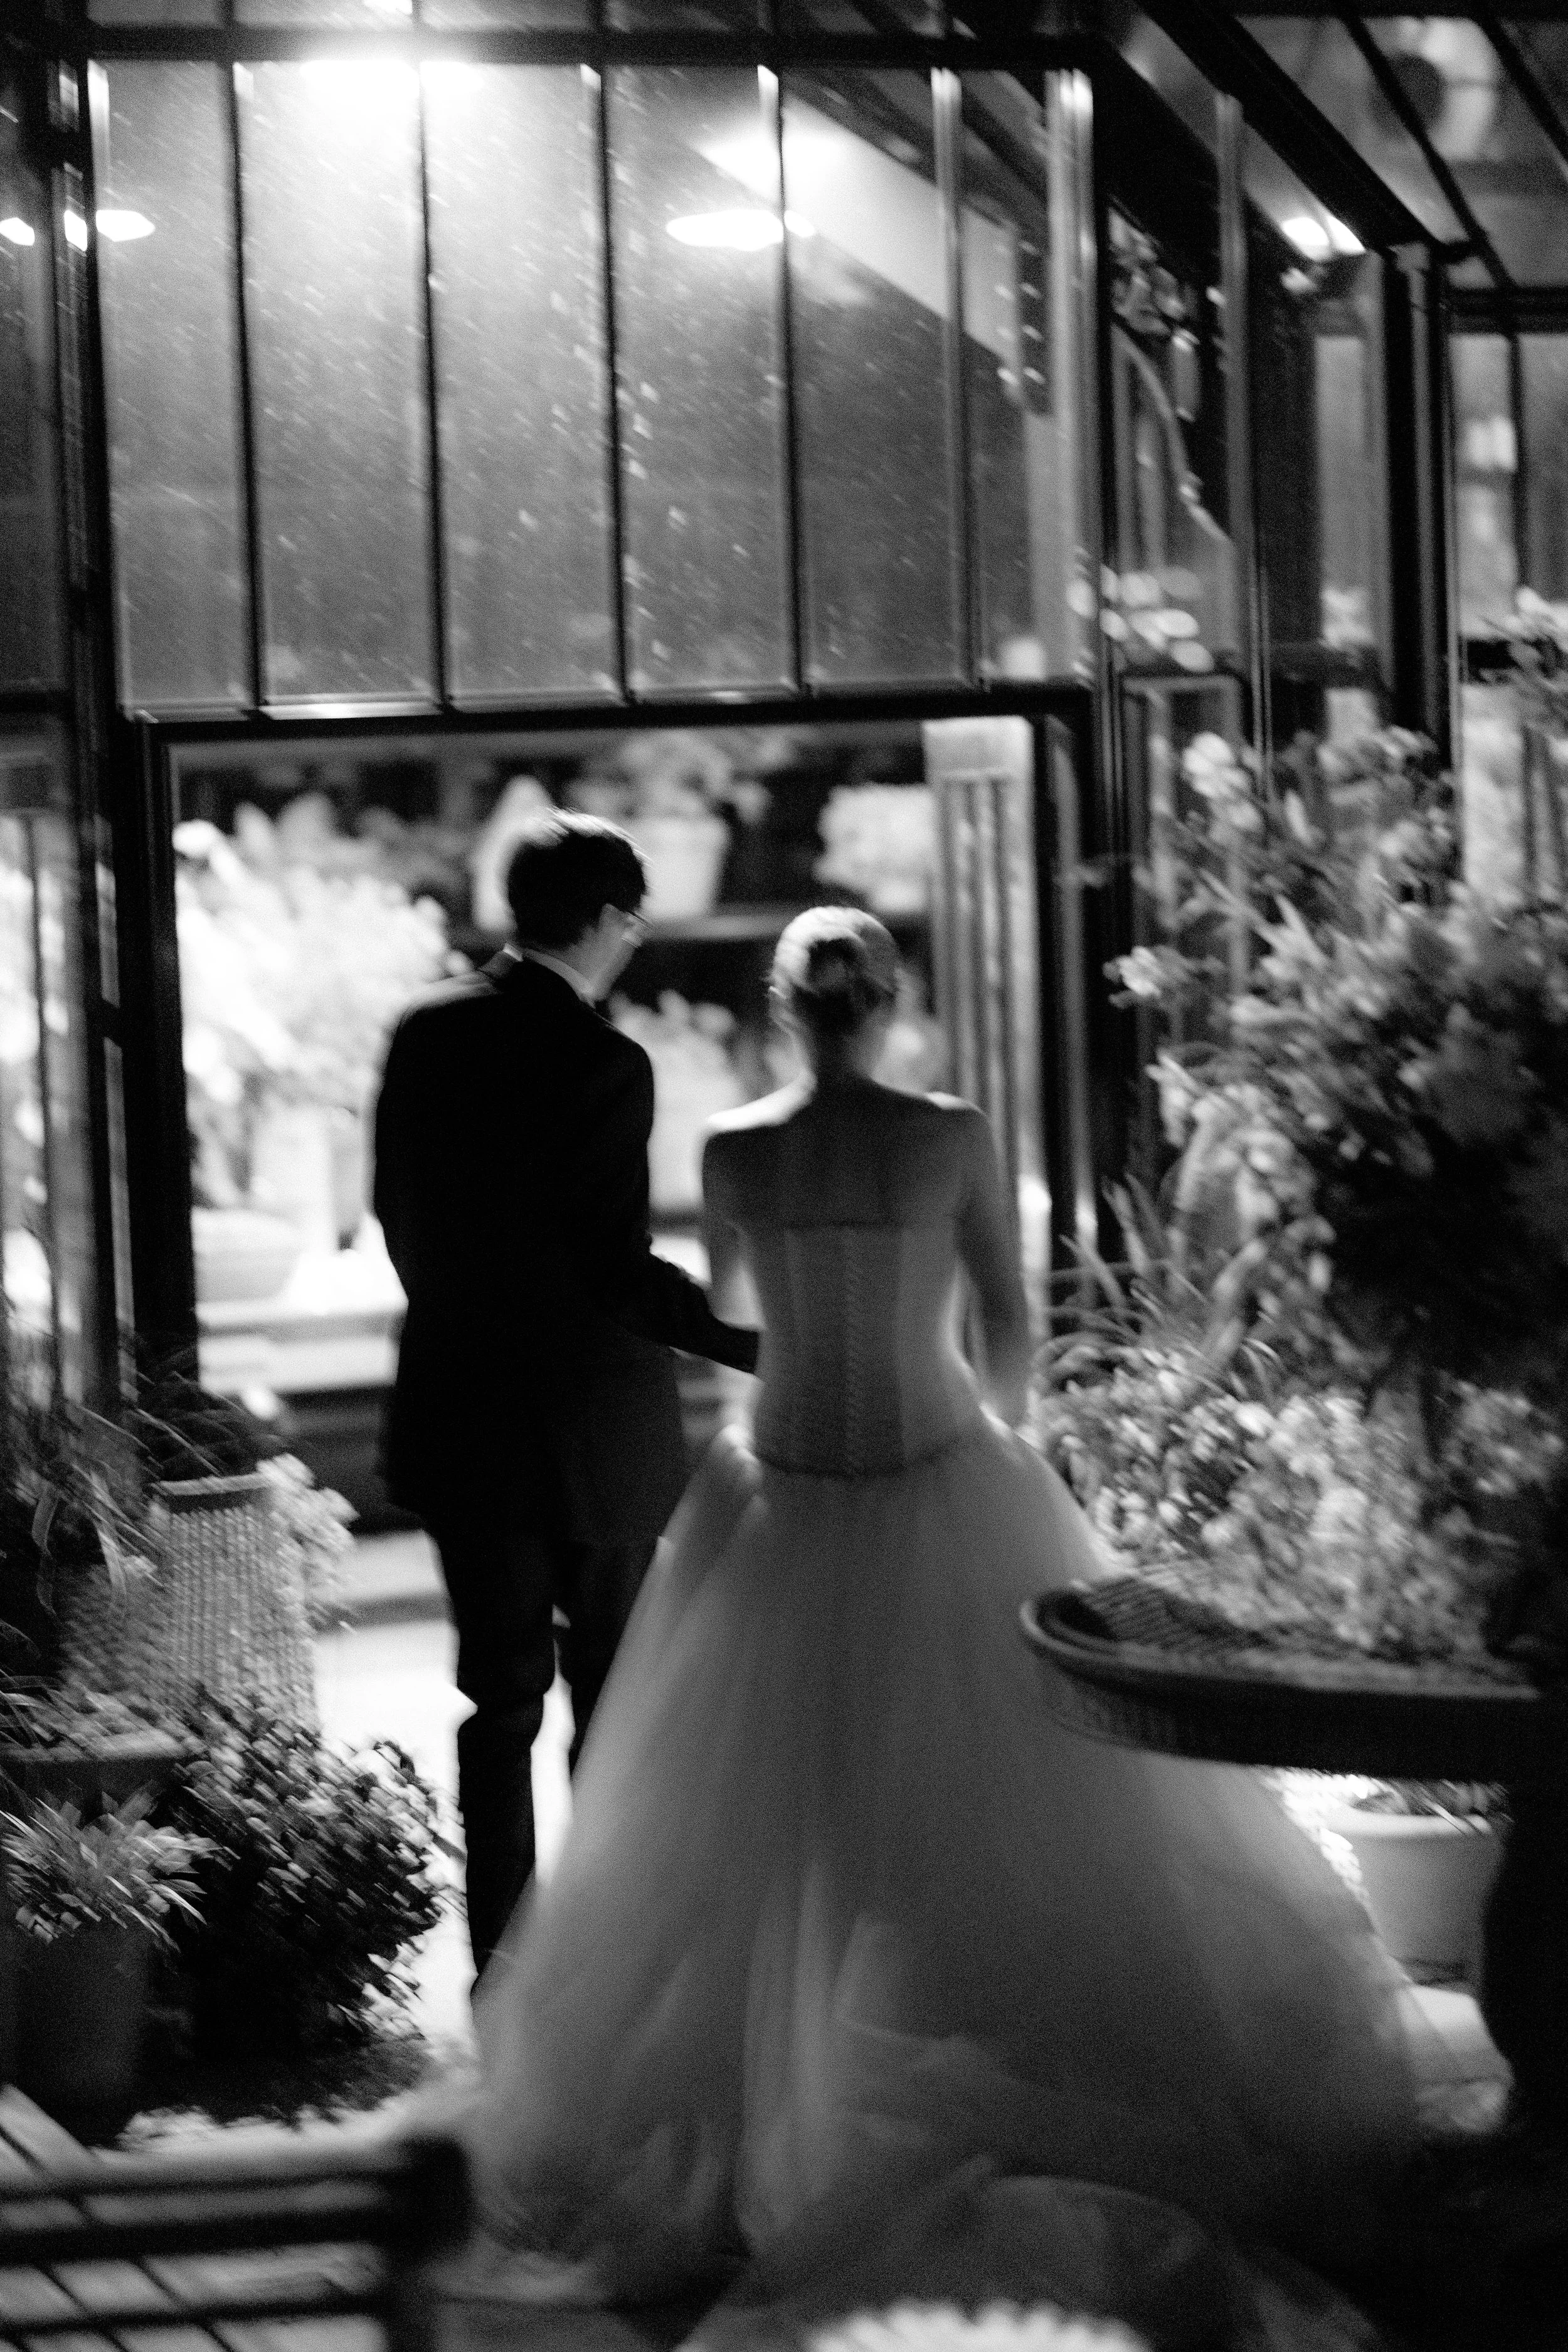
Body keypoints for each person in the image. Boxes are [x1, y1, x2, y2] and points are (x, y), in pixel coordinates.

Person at [451, 906, 1417, 2325]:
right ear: (892, 1003)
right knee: (995, 1822)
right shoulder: (949, 1131)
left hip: (775, 1493)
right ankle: (950, 2065)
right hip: (939, 1475)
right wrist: (1003, 1456)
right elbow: (1008, 1324)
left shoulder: (735, 1150)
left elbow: (730, 1309)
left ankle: (763, 2123)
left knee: (761, 1829)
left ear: (781, 1008)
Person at [371, 811, 760, 1978]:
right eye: (632, 920)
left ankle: (505, 1970)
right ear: (600, 920)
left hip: (465, 1419)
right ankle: (609, 1965)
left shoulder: (425, 1033)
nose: (635, 942)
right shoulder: (605, 1063)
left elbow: (401, 1217)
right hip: (597, 1432)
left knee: (495, 1706)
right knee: (613, 1707)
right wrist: (752, 1341)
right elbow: (614, 1265)